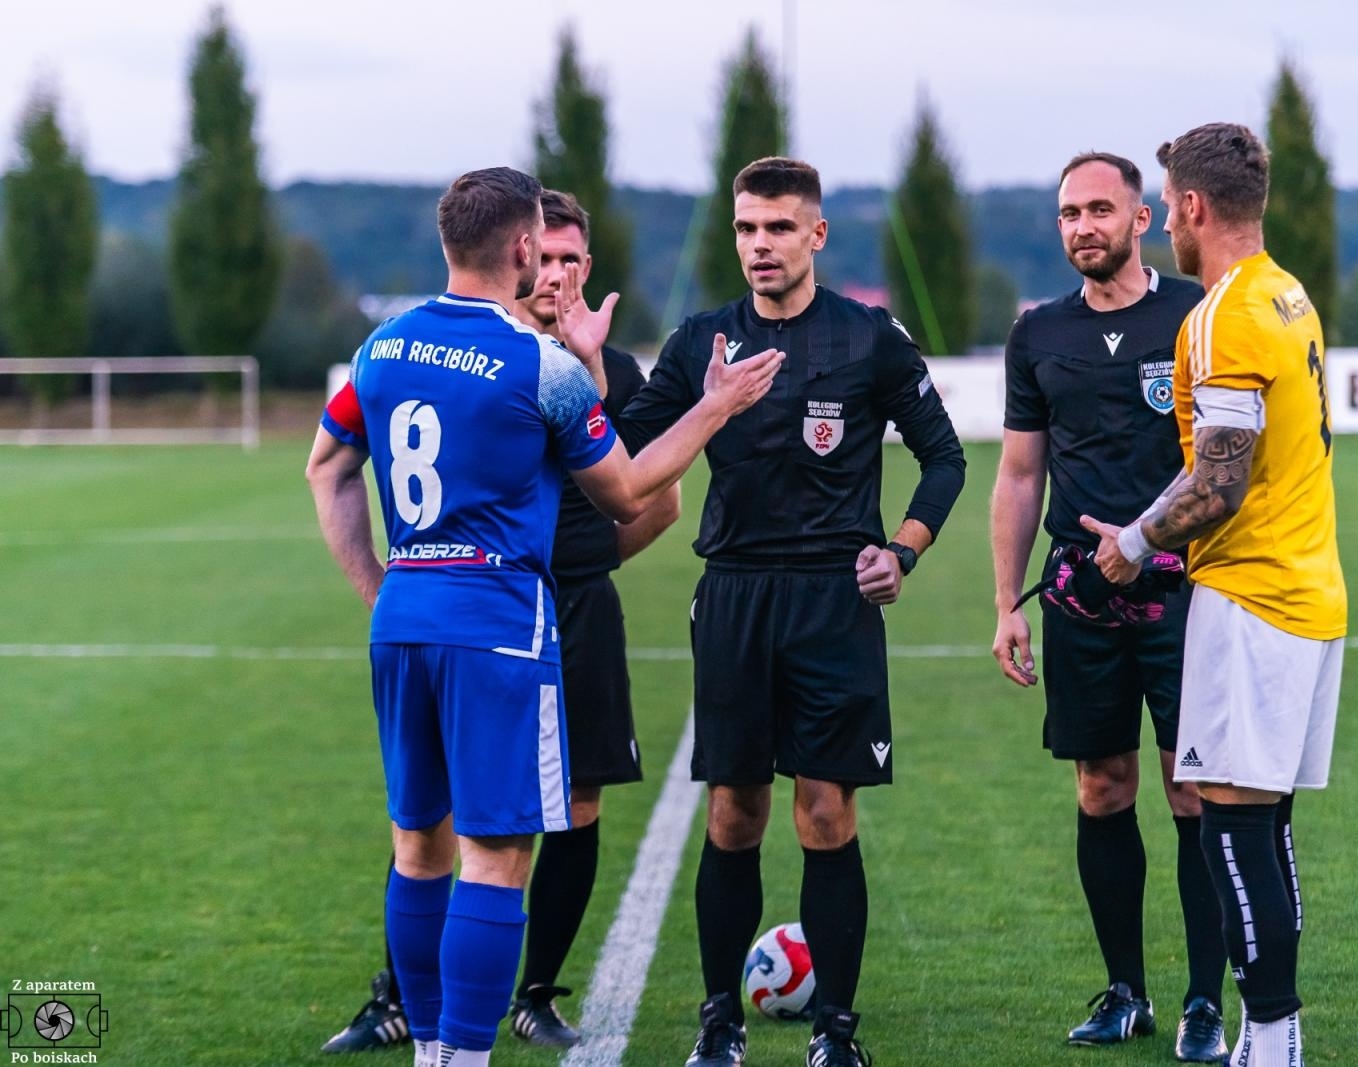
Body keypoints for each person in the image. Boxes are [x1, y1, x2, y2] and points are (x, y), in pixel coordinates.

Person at [307, 166, 782, 1067]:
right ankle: (464, 1056)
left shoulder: (380, 348)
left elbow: (325, 467)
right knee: (494, 854)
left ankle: (427, 1050)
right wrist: (716, 406)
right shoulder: (539, 365)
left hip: (404, 616)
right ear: (524, 248)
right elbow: (635, 488)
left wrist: (381, 583)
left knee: (418, 844)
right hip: (497, 624)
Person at [597, 156, 965, 1067]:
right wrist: (601, 370)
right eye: (747, 229)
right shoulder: (700, 343)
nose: (761, 246)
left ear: (816, 236)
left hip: (836, 598)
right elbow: (626, 451)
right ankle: (719, 1021)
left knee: (827, 812)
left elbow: (945, 458)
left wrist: (904, 548)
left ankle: (837, 1031)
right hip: (734, 593)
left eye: (779, 228)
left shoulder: (869, 339)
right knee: (734, 811)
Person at [1082, 123, 1347, 1067]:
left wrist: (1131, 541)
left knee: (1231, 821)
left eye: (1168, 207)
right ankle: (1277, 1031)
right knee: (1266, 827)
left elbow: (1219, 484)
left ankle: (1270, 1040)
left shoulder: (1226, 312)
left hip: (1252, 598)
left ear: (1189, 207)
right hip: (1311, 592)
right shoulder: (1288, 292)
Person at [991, 151, 1229, 1063]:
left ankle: (1205, 1002)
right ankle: (1126, 989)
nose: (1081, 226)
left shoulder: (1194, 317)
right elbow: (1018, 474)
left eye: (1099, 209)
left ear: (1142, 219)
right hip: (1080, 598)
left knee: (1192, 790)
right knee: (1102, 788)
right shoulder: (1038, 334)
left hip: (1186, 592)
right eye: (1067, 214)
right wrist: (1007, 601)